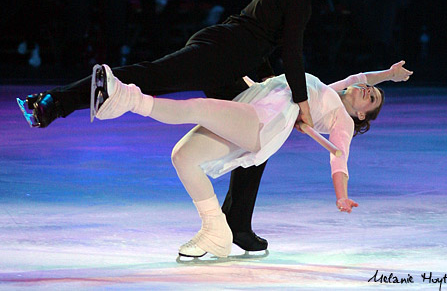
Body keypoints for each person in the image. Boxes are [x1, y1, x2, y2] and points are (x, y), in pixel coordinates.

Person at [19, 0, 363, 252]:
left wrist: (270, 86)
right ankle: (54, 102)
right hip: (218, 55)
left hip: (230, 61)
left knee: (256, 138)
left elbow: (263, 45)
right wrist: (302, 106)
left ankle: (237, 223)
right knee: (148, 78)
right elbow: (292, 54)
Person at [88, 60, 412, 258]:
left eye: (372, 98)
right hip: (260, 101)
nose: (368, 90)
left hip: (267, 119)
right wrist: (389, 75)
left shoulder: (341, 120)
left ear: (360, 114)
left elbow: (339, 160)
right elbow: (362, 75)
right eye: (369, 88)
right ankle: (216, 230)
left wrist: (341, 196)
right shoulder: (332, 90)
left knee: (198, 108)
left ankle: (124, 98)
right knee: (183, 157)